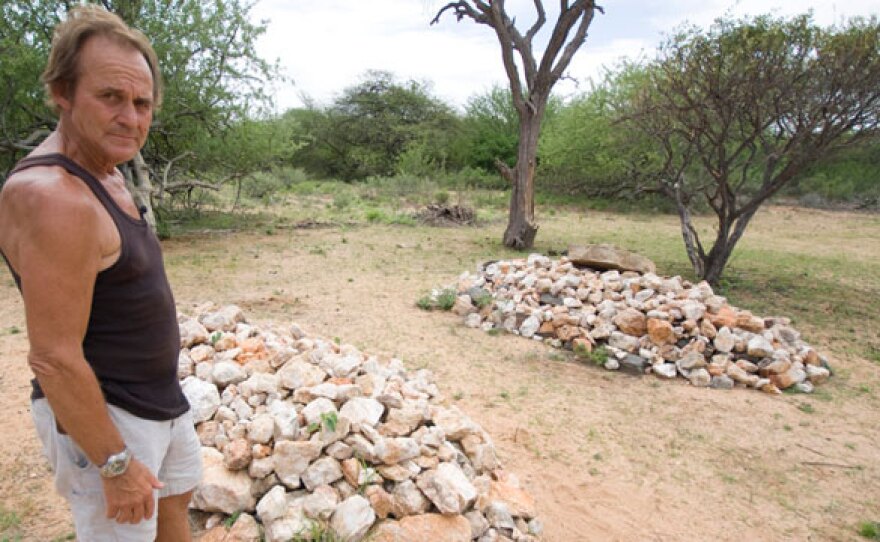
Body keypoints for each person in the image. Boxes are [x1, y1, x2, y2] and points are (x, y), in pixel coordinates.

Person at [0, 6, 201, 541]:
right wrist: (114, 463)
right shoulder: (53, 197)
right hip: (111, 416)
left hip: (157, 400)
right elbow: (53, 356)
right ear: (63, 92)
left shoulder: (104, 173)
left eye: (141, 103)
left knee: (174, 510)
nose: (130, 117)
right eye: (110, 97)